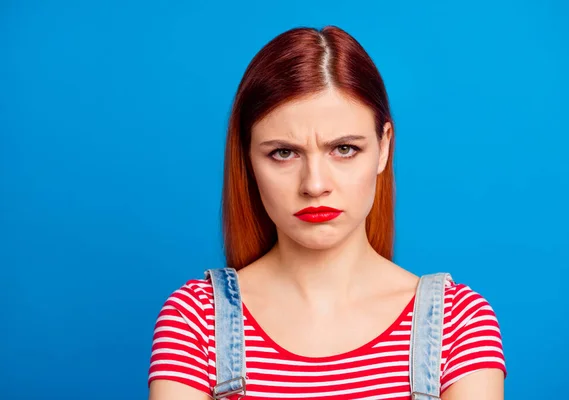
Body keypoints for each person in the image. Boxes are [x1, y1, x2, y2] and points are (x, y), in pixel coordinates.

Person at [147, 26, 507, 400]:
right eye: (283, 153)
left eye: (345, 149)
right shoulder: (196, 320)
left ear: (384, 147)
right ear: (247, 159)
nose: (315, 185)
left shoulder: (459, 323)